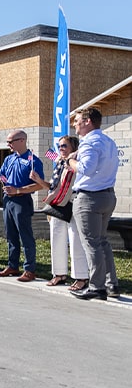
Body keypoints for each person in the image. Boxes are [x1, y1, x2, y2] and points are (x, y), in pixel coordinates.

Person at [66, 108, 121, 300]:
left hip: (89, 198)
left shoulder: (89, 142)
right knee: (102, 241)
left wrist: (70, 162)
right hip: (107, 195)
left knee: (92, 243)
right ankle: (111, 284)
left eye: (77, 120)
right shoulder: (108, 141)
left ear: (88, 121)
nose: (74, 124)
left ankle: (97, 287)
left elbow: (86, 169)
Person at [0, 130, 45, 282]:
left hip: (22, 201)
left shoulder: (32, 160)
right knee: (11, 235)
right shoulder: (9, 159)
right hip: (8, 201)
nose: (8, 144)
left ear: (22, 141)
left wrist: (18, 190)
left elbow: (39, 185)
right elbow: (0, 178)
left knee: (25, 236)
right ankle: (13, 266)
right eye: (8, 141)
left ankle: (29, 269)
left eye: (11, 141)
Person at [29, 135, 89, 289]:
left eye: (64, 146)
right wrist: (39, 181)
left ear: (73, 148)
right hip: (57, 204)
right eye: (60, 146)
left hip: (72, 203)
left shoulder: (77, 162)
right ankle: (59, 274)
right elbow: (53, 186)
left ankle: (81, 277)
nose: (61, 149)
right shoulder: (59, 163)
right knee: (56, 238)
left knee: (75, 240)